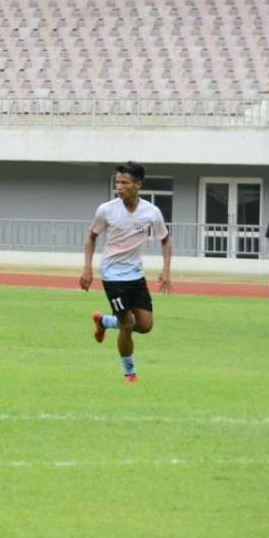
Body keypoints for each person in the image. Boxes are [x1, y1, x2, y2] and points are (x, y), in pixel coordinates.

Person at [82, 161, 172, 382]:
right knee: (127, 323)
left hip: (136, 275)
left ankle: (104, 321)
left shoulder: (151, 212)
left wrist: (166, 270)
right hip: (112, 275)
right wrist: (87, 268)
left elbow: (165, 239)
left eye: (124, 182)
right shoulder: (106, 210)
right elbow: (91, 237)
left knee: (145, 325)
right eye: (117, 182)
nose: (119, 187)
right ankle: (129, 372)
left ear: (138, 184)